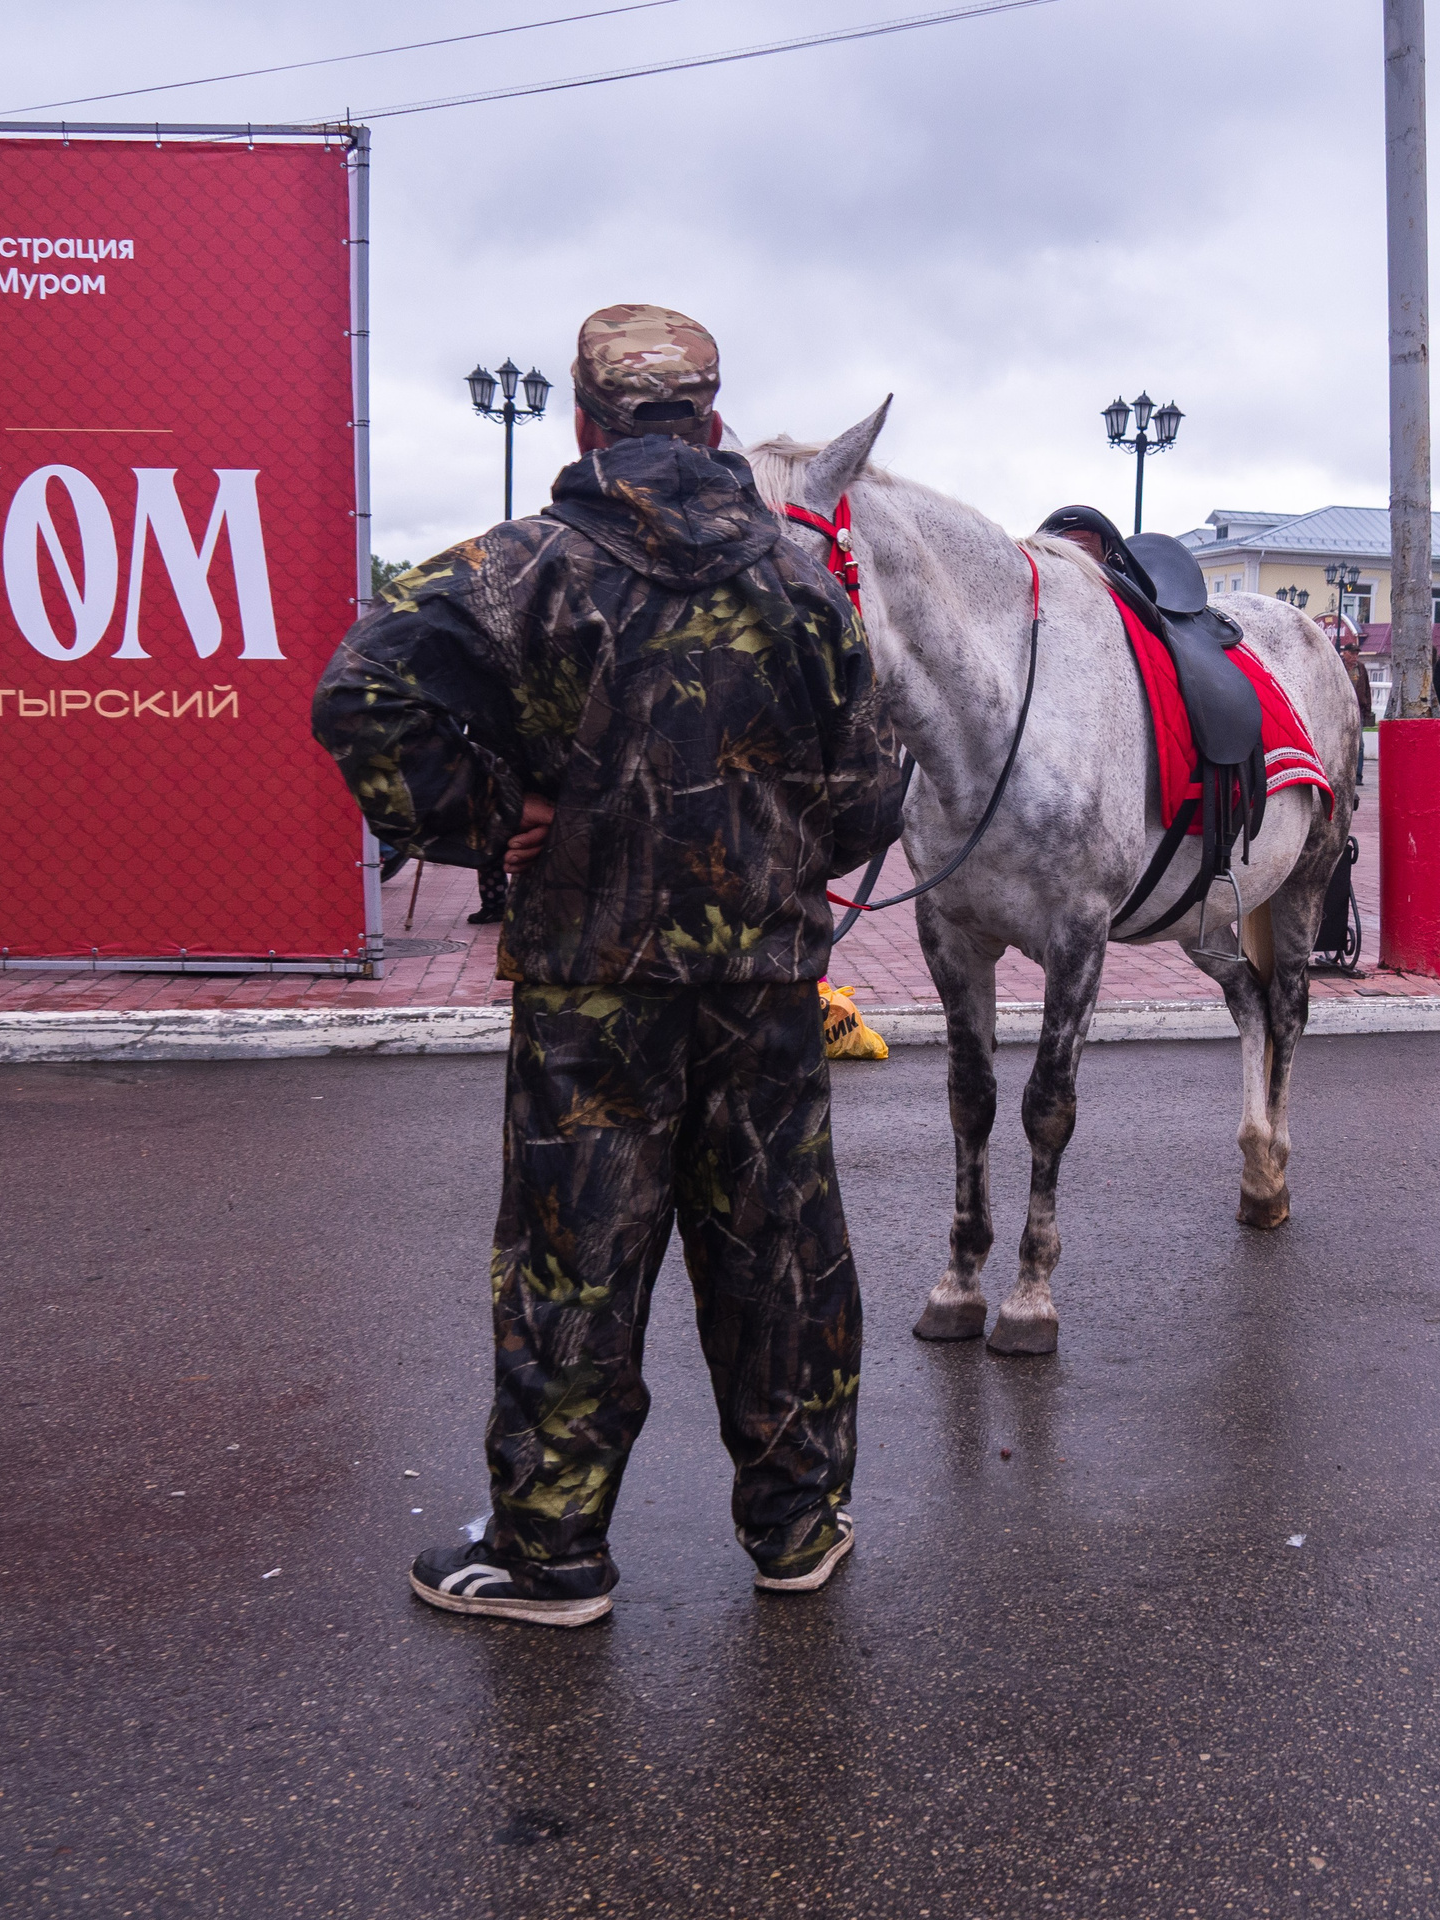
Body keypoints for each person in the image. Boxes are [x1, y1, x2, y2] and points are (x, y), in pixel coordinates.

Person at [311, 304, 903, 1626]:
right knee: (781, 1252)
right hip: (763, 993)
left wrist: (482, 813)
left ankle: (550, 1558)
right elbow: (869, 804)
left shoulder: (514, 569)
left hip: (593, 990)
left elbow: (358, 694)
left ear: (582, 422)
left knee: (575, 1260)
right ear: (710, 424)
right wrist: (771, 835)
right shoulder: (806, 587)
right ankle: (799, 1527)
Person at [1338, 629, 1374, 787]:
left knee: (1359, 744)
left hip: (1357, 709)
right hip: (1340, 710)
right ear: (1344, 653)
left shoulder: (1361, 668)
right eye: (1351, 653)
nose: (1354, 656)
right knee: (1340, 742)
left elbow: (1367, 689)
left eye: (1356, 654)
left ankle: (1358, 775)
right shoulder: (1338, 666)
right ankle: (1340, 772)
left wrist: (1368, 709)